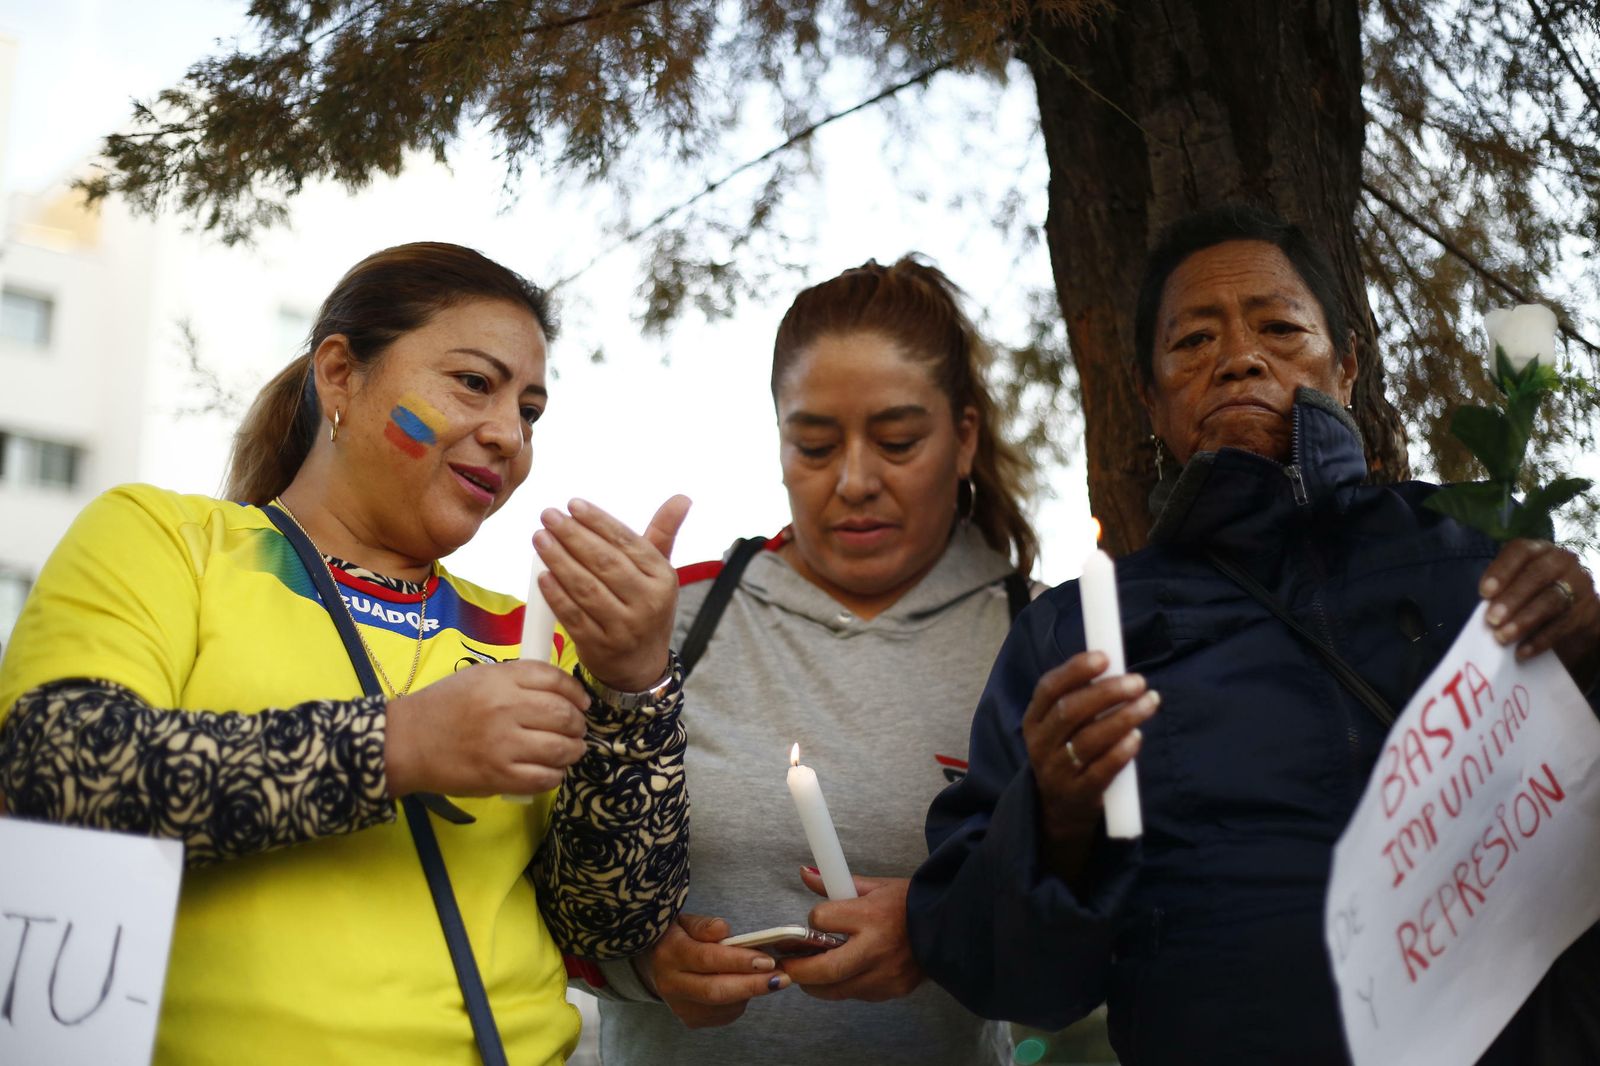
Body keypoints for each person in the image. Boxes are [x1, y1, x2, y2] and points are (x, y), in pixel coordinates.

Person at [907, 205, 1600, 1065]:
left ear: (1346, 367)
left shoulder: (1470, 554)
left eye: (1280, 326)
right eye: (1194, 342)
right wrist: (1053, 819)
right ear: (1148, 399)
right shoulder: (1077, 636)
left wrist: (1591, 661)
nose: (1240, 356)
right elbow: (1002, 977)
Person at [0, 242, 692, 1065]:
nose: (509, 434)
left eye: (531, 410)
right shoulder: (169, 541)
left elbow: (610, 921)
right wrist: (402, 745)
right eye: (474, 382)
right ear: (339, 375)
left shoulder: (530, 632)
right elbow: (53, 770)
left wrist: (636, 688)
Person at [573, 257, 1039, 1064]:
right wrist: (644, 966)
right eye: (815, 446)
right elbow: (553, 886)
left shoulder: (1036, 638)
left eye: (897, 442)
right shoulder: (674, 619)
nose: (854, 481)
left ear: (964, 437)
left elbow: (1107, 916)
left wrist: (942, 931)